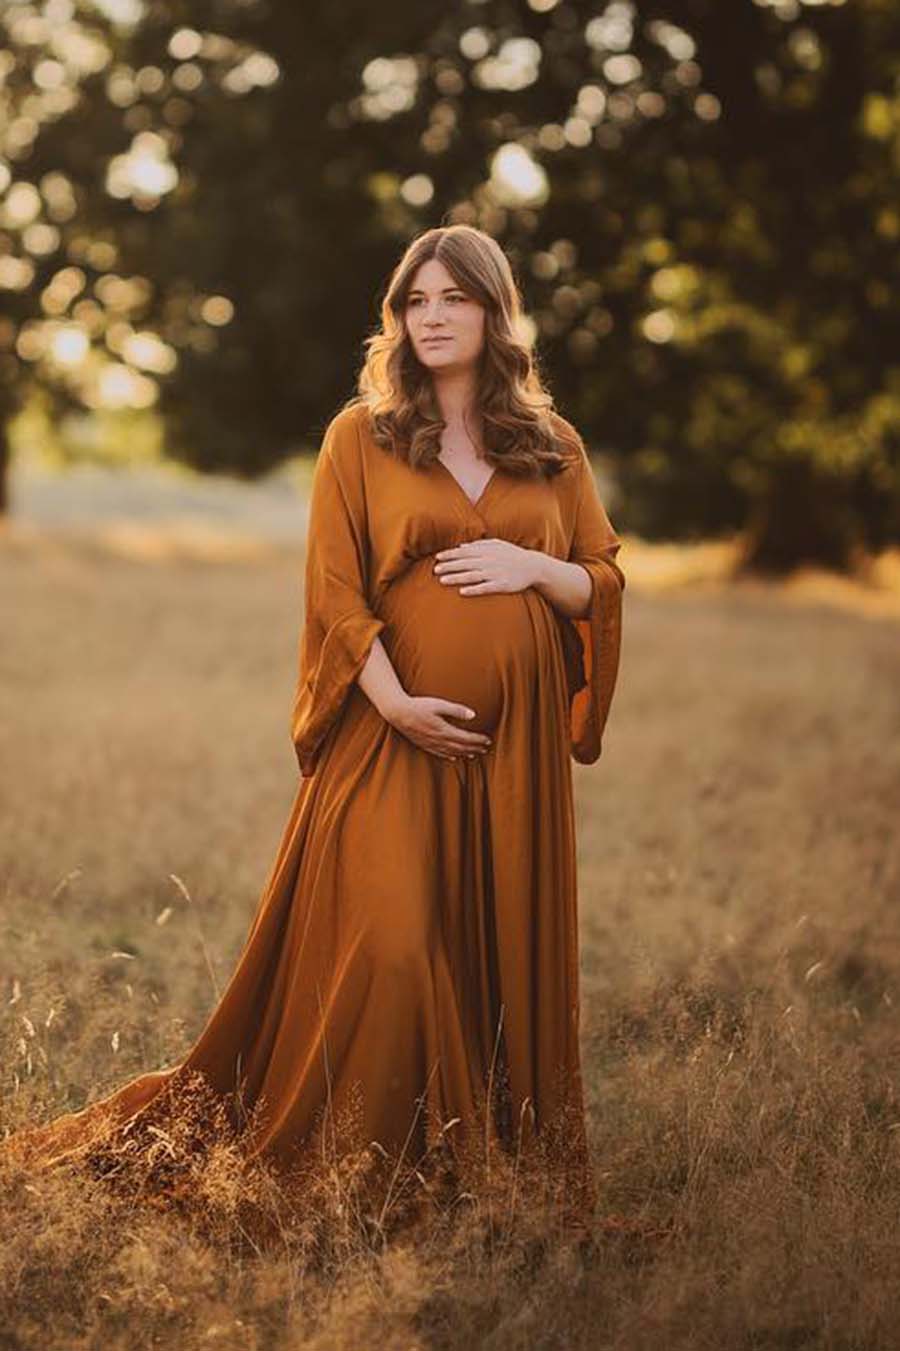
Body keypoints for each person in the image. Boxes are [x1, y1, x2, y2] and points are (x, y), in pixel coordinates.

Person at [0, 224, 625, 1239]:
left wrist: (532, 570)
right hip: (387, 736)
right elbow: (334, 593)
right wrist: (393, 702)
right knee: (393, 948)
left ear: (494, 312)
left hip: (510, 765)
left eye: (452, 298)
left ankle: (467, 1177)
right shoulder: (362, 437)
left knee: (484, 965)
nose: (430, 317)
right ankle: (348, 1181)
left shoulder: (554, 447)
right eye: (414, 300)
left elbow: (600, 574)